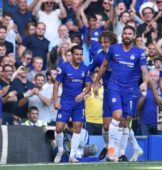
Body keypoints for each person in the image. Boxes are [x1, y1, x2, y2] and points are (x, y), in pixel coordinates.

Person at [93, 25, 149, 162]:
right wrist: (96, 83)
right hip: (114, 87)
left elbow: (144, 70)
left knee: (124, 122)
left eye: (130, 33)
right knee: (116, 116)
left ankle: (119, 153)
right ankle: (111, 150)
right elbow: (104, 66)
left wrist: (145, 82)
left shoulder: (139, 52)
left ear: (134, 36)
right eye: (125, 33)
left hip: (130, 91)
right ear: (122, 35)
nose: (127, 35)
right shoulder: (113, 49)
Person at [53, 45, 91, 163]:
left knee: (77, 127)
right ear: (72, 55)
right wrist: (55, 100)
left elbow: (89, 85)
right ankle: (60, 150)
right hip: (65, 101)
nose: (79, 56)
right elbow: (56, 84)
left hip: (79, 103)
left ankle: (72, 156)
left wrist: (83, 93)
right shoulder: (64, 67)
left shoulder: (85, 68)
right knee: (59, 128)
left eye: (81, 54)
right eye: (77, 54)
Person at [88, 30, 117, 160]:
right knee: (106, 126)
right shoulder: (99, 57)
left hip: (120, 91)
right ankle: (107, 147)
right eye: (102, 42)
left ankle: (114, 152)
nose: (104, 45)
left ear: (112, 42)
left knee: (117, 124)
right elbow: (88, 71)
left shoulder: (119, 55)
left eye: (107, 42)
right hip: (107, 92)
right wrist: (94, 83)